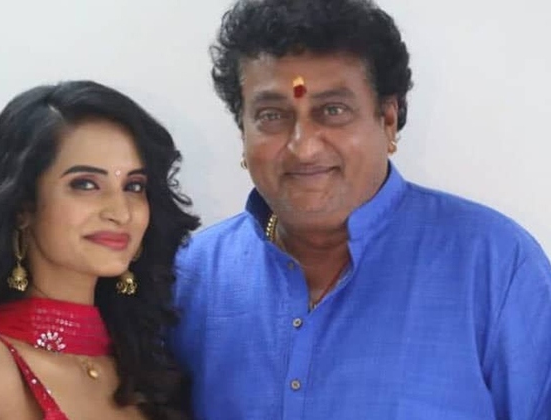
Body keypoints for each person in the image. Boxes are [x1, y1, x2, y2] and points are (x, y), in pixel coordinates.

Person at [170, 0, 551, 419]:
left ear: (388, 120)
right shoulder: (191, 278)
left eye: (333, 111)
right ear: (242, 132)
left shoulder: (494, 267)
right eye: (272, 115)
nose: (303, 147)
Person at [0, 80, 199, 420]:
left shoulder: (136, 364)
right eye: (85, 184)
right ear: (23, 206)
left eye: (134, 186)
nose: (121, 212)